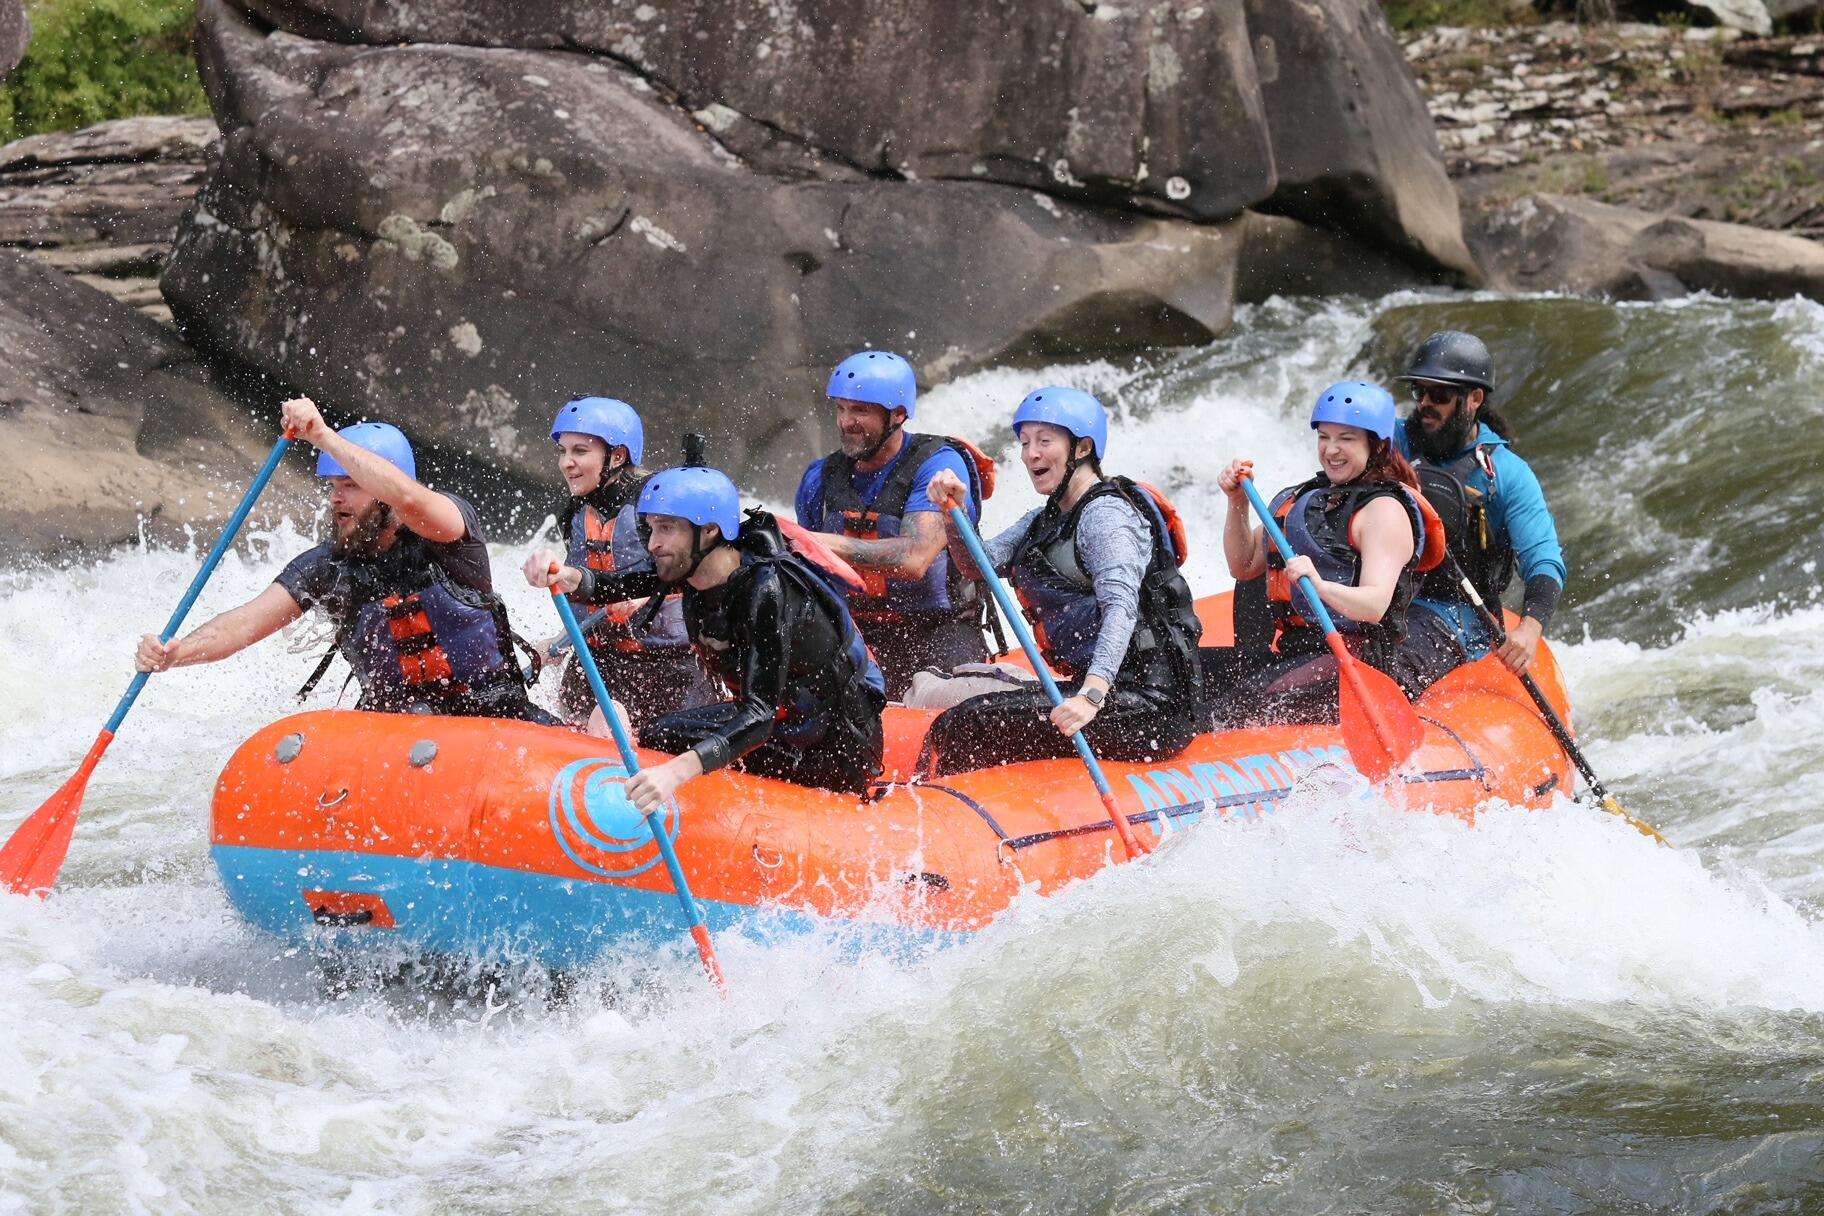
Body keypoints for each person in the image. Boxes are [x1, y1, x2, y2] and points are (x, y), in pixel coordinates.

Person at [135, 398, 553, 723]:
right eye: (333, 485)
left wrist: (323, 435)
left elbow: (408, 497)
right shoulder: (326, 567)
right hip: (394, 735)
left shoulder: (448, 537)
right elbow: (244, 623)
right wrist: (178, 652)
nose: (336, 497)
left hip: (496, 718)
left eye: (351, 485)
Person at [526, 465, 886, 807]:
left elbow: (759, 714)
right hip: (787, 725)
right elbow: (613, 585)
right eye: (651, 528)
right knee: (660, 733)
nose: (653, 543)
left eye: (666, 528)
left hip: (833, 746)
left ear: (710, 531)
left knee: (674, 746)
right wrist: (563, 574)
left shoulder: (767, 590)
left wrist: (676, 773)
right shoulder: (694, 565)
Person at [917, 387, 1202, 775]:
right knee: (961, 717)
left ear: (1082, 448)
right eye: (1024, 442)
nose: (1030, 454)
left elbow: (1121, 608)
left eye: (1044, 441)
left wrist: (1091, 695)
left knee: (969, 724)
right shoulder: (1042, 520)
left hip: (1148, 705)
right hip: (1106, 694)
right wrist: (952, 513)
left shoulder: (1105, 516)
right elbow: (976, 565)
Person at [1204, 381, 1446, 728]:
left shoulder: (1384, 512)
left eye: (1346, 439)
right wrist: (1236, 503)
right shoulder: (1308, 498)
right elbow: (1244, 565)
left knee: (1224, 711)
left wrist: (1320, 586)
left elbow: (1375, 605)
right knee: (1189, 675)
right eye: (1324, 437)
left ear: (1376, 445)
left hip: (1355, 661)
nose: (1331, 450)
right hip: (1297, 651)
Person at [796, 350, 995, 699]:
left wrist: (809, 541)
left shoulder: (938, 466)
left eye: (860, 410)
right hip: (856, 633)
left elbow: (914, 559)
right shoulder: (820, 478)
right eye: (841, 408)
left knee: (953, 709)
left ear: (899, 414)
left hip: (939, 631)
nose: (846, 421)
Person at [1394, 330, 1567, 677]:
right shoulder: (1391, 443)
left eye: (1439, 394)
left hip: (1456, 616)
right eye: (1420, 391)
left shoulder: (1506, 475)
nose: (1426, 403)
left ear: (1474, 398)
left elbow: (1544, 560)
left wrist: (1530, 629)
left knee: (1390, 667)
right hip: (1383, 599)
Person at [543, 396, 699, 727]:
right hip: (599, 663)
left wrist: (644, 595)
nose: (566, 463)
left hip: (667, 668)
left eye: (580, 451)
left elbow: (706, 573)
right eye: (563, 451)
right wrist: (558, 640)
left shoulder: (658, 506)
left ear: (616, 456)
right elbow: (585, 590)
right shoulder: (574, 513)